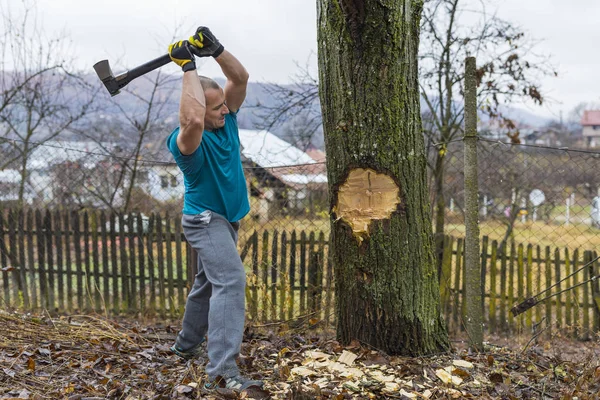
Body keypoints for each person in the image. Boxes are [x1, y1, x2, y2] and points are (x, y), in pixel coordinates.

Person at [165, 27, 263, 392]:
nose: (227, 108)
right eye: (216, 106)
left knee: (208, 284)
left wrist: (216, 50)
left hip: (228, 218)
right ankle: (222, 373)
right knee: (231, 280)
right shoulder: (186, 141)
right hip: (205, 220)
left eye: (224, 103)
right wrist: (187, 68)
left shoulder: (226, 118)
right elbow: (190, 119)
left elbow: (240, 77)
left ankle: (185, 346)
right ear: (199, 108)